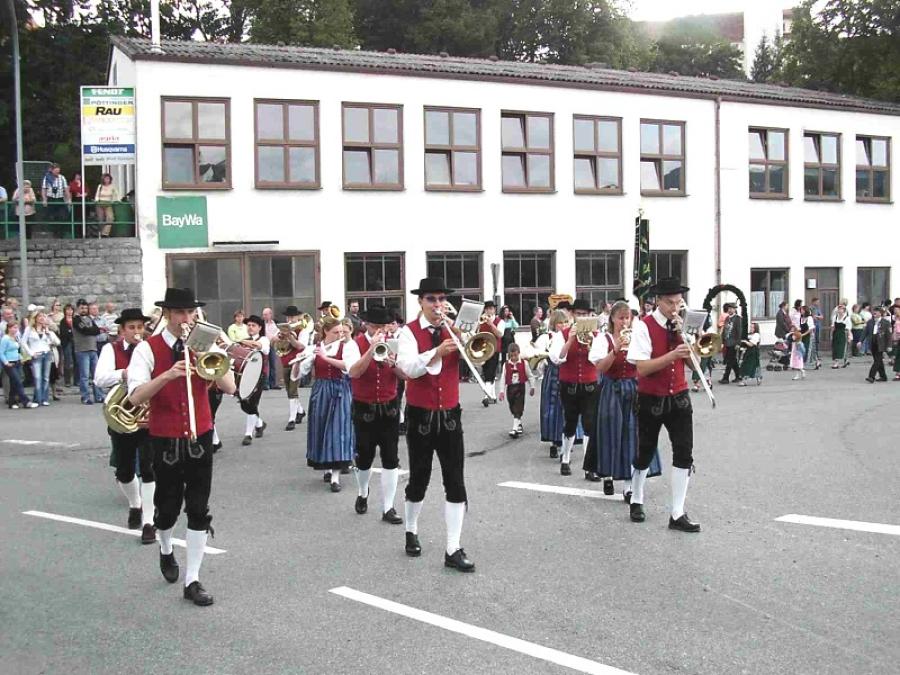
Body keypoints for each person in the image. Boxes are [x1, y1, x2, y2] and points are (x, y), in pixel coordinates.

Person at [127, 287, 236, 607]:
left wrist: (207, 359)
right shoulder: (147, 349)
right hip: (165, 439)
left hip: (200, 436)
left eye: (190, 312)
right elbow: (135, 396)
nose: (186, 319)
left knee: (199, 509)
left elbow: (230, 387)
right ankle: (165, 549)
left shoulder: (204, 343)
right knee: (167, 510)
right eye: (179, 313)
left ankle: (193, 580)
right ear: (167, 315)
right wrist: (167, 375)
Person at [396, 276, 475, 572]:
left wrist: (461, 334)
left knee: (455, 481)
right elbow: (407, 368)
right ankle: (411, 530)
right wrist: (436, 352)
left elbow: (477, 359)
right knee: (419, 479)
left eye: (442, 299)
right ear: (420, 302)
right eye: (431, 299)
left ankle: (453, 548)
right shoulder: (408, 332)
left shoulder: (452, 330)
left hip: (450, 416)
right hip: (421, 416)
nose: (438, 304)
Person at [626, 277, 700, 532]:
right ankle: (636, 497)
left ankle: (677, 512)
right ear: (658, 301)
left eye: (678, 303)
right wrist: (672, 355)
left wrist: (689, 342)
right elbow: (642, 368)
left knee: (684, 453)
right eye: (670, 303)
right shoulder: (643, 326)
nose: (675, 308)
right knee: (644, 452)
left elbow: (694, 365)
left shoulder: (682, 325)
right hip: (651, 398)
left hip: (679, 397)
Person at [95, 308, 157, 543]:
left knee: (149, 468)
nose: (136, 331)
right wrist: (125, 373)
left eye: (140, 327)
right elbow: (99, 379)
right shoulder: (110, 350)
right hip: (123, 416)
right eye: (131, 327)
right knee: (124, 470)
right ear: (121, 330)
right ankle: (135, 504)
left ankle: (149, 521)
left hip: (147, 415)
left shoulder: (150, 348)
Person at [588, 301, 661, 500]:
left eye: (627, 318)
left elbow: (644, 365)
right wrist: (616, 349)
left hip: (634, 389)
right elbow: (600, 368)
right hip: (611, 389)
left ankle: (629, 486)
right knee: (610, 433)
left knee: (632, 436)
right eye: (621, 318)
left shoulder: (636, 337)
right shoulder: (603, 339)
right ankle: (608, 475)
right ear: (612, 318)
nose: (624, 322)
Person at [347, 304, 405, 524]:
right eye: (375, 326)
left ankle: (388, 507)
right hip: (364, 407)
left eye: (383, 326)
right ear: (366, 325)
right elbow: (354, 372)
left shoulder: (395, 343)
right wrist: (371, 350)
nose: (380, 331)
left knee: (391, 457)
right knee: (364, 456)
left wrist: (393, 363)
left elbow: (405, 375)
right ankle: (363, 492)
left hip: (389, 406)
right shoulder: (354, 344)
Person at [293, 314, 359, 492]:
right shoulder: (315, 348)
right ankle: (327, 469)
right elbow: (300, 373)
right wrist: (298, 362)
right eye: (336, 332)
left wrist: (325, 357)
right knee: (321, 428)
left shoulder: (347, 346)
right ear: (326, 332)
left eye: (341, 331)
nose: (340, 335)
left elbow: (349, 367)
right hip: (321, 390)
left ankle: (336, 477)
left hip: (340, 389)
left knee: (338, 430)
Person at [549, 298, 600, 478]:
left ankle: (589, 466)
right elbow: (557, 358)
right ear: (572, 315)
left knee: (589, 424)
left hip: (590, 384)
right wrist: (570, 339)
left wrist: (592, 344)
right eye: (579, 314)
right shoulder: (562, 334)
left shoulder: (597, 335)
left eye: (585, 314)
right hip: (569, 384)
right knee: (570, 422)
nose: (582, 317)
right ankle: (565, 458)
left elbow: (599, 360)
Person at [539, 309, 582, 459]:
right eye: (560, 323)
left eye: (565, 322)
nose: (563, 325)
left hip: (567, 374)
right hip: (553, 374)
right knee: (552, 410)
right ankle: (553, 443)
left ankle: (566, 443)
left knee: (568, 410)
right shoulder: (546, 337)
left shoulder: (570, 336)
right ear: (554, 323)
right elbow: (536, 353)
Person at [238, 315, 269, 446]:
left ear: (259, 327)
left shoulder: (264, 339)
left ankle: (248, 434)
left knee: (252, 403)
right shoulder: (245, 340)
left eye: (253, 325)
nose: (250, 328)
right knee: (244, 403)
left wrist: (244, 342)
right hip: (246, 376)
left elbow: (262, 347)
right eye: (249, 325)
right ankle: (260, 423)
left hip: (260, 376)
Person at [278, 306, 310, 431]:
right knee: (289, 390)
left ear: (297, 317)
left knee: (292, 390)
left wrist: (290, 337)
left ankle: (292, 419)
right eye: (288, 317)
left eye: (292, 317)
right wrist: (279, 337)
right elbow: (274, 341)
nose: (289, 319)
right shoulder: (284, 329)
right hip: (285, 361)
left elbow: (300, 346)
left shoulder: (303, 330)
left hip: (296, 362)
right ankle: (300, 411)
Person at [498, 343, 535, 438]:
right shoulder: (506, 365)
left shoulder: (524, 363)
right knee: (512, 407)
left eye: (515, 355)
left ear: (519, 353)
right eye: (512, 356)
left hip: (520, 387)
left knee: (518, 407)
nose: (514, 358)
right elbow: (503, 379)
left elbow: (530, 376)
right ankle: (519, 424)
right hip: (510, 388)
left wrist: (532, 387)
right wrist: (501, 391)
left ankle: (514, 429)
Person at [21, 310, 58, 406]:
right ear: (35, 318)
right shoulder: (29, 329)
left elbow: (54, 342)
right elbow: (23, 342)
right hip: (36, 354)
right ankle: (38, 399)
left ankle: (45, 398)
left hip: (47, 353)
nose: (42, 318)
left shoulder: (46, 329)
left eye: (43, 316)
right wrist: (31, 352)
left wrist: (48, 332)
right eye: (39, 316)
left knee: (46, 378)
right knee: (37, 377)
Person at [74, 299, 103, 404]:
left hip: (93, 349)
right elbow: (85, 331)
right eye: (82, 308)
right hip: (82, 350)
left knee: (96, 374)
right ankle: (85, 397)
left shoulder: (90, 318)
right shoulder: (76, 320)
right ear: (78, 308)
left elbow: (97, 330)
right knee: (85, 376)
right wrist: (93, 330)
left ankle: (99, 396)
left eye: (86, 308)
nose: (84, 310)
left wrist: (94, 330)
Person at [1, 322, 37, 409]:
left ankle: (12, 402)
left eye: (16, 328)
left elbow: (18, 350)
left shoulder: (16, 337)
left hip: (17, 362)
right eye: (13, 328)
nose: (15, 330)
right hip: (9, 363)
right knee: (18, 382)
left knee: (14, 383)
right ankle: (26, 402)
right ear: (9, 328)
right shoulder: (5, 338)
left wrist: (20, 357)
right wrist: (6, 362)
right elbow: (1, 352)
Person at [476, 301, 504, 406]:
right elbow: (476, 333)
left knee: (490, 372)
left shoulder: (500, 321)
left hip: (494, 349)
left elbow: (500, 334)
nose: (489, 311)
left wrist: (491, 324)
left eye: (491, 309)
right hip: (483, 349)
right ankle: (493, 396)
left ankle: (486, 396)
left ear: (494, 310)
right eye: (487, 309)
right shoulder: (481, 321)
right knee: (487, 373)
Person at [864, 307, 890, 383]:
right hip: (873, 343)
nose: (874, 313)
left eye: (877, 311)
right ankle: (883, 376)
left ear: (880, 313)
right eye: (874, 311)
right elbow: (865, 332)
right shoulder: (870, 322)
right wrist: (860, 341)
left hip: (881, 343)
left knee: (877, 360)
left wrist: (889, 345)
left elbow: (889, 335)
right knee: (878, 360)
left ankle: (871, 376)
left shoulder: (885, 322)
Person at [41, 163, 71, 227]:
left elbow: (66, 189)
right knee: (51, 216)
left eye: (58, 171)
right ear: (52, 170)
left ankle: (60, 231)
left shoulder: (62, 178)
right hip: (51, 199)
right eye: (56, 171)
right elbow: (44, 189)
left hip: (60, 199)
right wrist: (44, 199)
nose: (57, 172)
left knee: (62, 216)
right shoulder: (47, 178)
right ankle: (53, 231)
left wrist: (69, 199)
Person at [719, 303, 743, 384]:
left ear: (735, 309)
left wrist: (738, 343)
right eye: (729, 308)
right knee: (733, 360)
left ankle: (725, 378)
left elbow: (739, 332)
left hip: (734, 343)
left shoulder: (738, 319)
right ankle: (738, 376)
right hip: (727, 342)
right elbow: (724, 330)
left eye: (731, 308)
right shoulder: (727, 318)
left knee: (729, 360)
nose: (730, 310)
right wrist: (722, 341)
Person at [58, 303, 77, 388]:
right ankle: (67, 381)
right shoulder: (63, 321)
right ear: (65, 311)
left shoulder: (75, 320)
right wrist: (70, 332)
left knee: (77, 361)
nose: (69, 311)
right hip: (67, 343)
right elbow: (63, 333)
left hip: (76, 342)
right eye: (68, 310)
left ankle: (77, 380)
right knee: (67, 362)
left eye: (71, 310)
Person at [737, 322, 762, 386]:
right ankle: (758, 377)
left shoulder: (756, 335)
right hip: (748, 351)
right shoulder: (750, 335)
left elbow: (751, 344)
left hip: (753, 352)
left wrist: (745, 341)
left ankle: (745, 381)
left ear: (755, 328)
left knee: (749, 366)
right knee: (748, 365)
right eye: (750, 327)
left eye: (752, 327)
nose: (751, 328)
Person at [262, 307, 281, 391]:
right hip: (264, 345)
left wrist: (276, 337)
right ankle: (265, 384)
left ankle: (272, 383)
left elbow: (279, 333)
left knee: (273, 364)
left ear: (270, 314)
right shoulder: (261, 324)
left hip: (272, 345)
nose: (264, 316)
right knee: (265, 365)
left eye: (266, 314)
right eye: (263, 315)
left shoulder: (275, 323)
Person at [830, 301, 851, 369]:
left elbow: (848, 329)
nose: (839, 310)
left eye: (840, 309)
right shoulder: (835, 317)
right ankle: (841, 361)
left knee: (841, 348)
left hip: (843, 334)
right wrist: (831, 334)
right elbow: (833, 327)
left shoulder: (846, 318)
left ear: (844, 310)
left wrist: (849, 337)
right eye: (838, 309)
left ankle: (838, 362)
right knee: (835, 348)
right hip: (836, 333)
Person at [808, 297, 823, 369]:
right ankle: (814, 357)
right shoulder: (810, 308)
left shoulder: (818, 309)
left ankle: (817, 355)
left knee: (817, 341)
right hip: (813, 326)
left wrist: (817, 316)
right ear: (813, 302)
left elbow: (821, 317)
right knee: (813, 341)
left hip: (818, 326)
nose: (818, 303)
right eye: (817, 301)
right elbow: (811, 317)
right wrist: (815, 317)